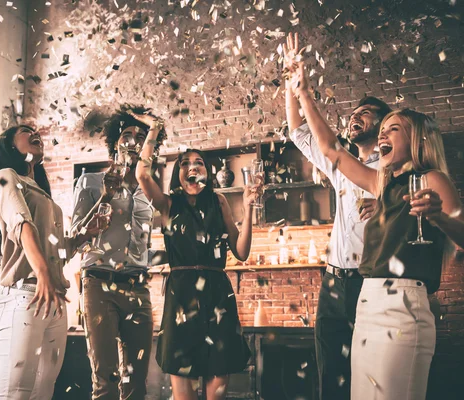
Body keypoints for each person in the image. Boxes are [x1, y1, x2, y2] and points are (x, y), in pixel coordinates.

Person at [285, 49, 464, 399]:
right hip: (368, 301)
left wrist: (439, 215)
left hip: (403, 305)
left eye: (393, 129)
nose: (383, 135)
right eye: (382, 130)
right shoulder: (382, 184)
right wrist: (302, 91)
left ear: (417, 140)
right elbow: (332, 150)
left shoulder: (432, 178)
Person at [282, 33, 391, 399]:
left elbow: (327, 146)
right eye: (354, 113)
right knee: (331, 372)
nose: (355, 117)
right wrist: (289, 84)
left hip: (371, 282)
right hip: (332, 283)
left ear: (385, 126)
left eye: (366, 114)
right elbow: (298, 131)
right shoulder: (342, 165)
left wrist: (304, 92)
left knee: (369, 373)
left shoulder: (393, 172)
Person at [135, 111, 261, 399]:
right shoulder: (167, 204)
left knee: (217, 390)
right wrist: (154, 130)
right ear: (178, 174)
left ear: (208, 172)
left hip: (218, 294)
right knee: (183, 389)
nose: (192, 167)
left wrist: (249, 206)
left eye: (199, 163)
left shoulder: (219, 202)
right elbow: (142, 173)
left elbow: (241, 253)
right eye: (185, 164)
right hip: (181, 296)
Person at [0, 124, 107, 400]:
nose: (34, 132)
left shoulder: (39, 189)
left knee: (43, 392)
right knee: (15, 393)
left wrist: (87, 234)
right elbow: (21, 224)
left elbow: (58, 251)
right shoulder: (4, 177)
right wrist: (42, 274)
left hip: (54, 298)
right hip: (23, 296)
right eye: (25, 130)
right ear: (8, 144)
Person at [71, 105, 166, 400]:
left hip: (138, 287)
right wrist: (104, 198)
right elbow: (75, 240)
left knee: (137, 382)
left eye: (141, 136)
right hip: (99, 285)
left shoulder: (148, 191)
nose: (134, 141)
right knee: (106, 379)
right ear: (115, 143)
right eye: (127, 134)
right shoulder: (89, 182)